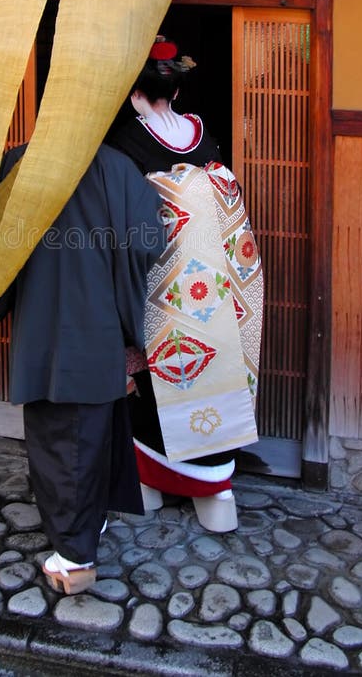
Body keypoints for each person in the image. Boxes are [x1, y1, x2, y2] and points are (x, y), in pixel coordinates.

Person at [0, 142, 166, 594]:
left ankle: (75, 559)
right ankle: (87, 529)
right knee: (89, 433)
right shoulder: (118, 166)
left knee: (60, 440)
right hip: (97, 322)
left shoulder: (20, 163)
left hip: (41, 322)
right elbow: (148, 242)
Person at [108, 36, 263, 533]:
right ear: (175, 91)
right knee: (213, 370)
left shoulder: (123, 143)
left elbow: (124, 224)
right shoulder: (204, 137)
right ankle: (216, 495)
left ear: (134, 91)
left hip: (161, 286)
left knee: (159, 378)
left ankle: (151, 486)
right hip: (215, 287)